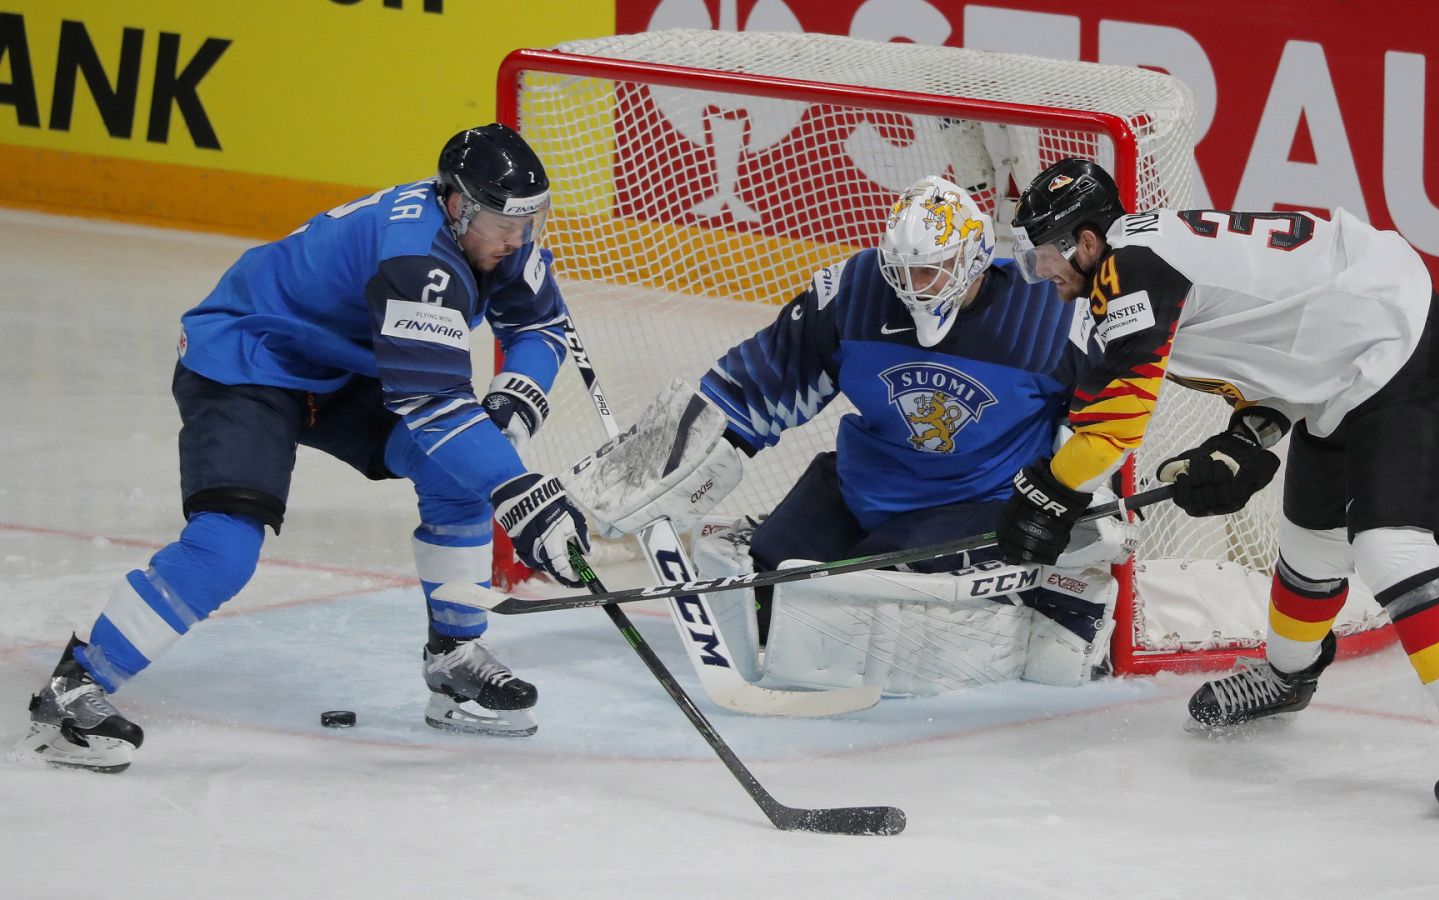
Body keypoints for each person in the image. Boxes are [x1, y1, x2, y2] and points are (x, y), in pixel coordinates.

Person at [18, 123, 590, 772]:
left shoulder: (497, 235)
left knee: (455, 474)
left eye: (529, 221)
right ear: (457, 206)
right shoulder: (417, 258)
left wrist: (514, 400)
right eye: (502, 223)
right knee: (224, 549)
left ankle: (454, 657)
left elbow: (540, 324)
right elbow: (430, 404)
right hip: (249, 358)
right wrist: (519, 492)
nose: (518, 239)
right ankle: (72, 690)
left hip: (344, 367)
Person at [996, 158, 1439, 819]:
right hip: (1341, 362)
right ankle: (1288, 678)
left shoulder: (1128, 269)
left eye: (1046, 254)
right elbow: (1278, 329)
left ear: (1085, 242)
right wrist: (1245, 438)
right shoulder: (1146, 252)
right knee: (1311, 549)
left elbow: (1115, 424)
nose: (1043, 271)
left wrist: (1050, 493)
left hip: (1401, 347)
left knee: (1390, 551)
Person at [565, 176, 1126, 696]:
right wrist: (646, 467)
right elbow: (758, 382)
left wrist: (1086, 506)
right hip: (860, 486)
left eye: (932, 269)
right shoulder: (856, 291)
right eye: (905, 269)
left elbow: (1104, 422)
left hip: (975, 502)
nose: (914, 285)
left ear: (975, 256)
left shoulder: (1048, 314)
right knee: (768, 576)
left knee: (857, 593)